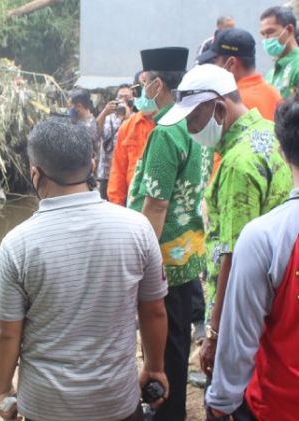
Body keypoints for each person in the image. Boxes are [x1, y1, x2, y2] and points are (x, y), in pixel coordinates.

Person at [0, 118, 168, 421]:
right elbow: (154, 311)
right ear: (93, 164)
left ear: (36, 173)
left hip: (46, 406)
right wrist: (154, 368)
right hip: (116, 402)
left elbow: (5, 333)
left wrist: (3, 390)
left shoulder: (17, 244)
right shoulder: (137, 227)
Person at [159, 64, 293, 382]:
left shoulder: (237, 164)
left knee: (228, 398)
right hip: (279, 293)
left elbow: (231, 255)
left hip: (242, 307)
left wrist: (215, 335)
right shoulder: (270, 133)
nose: (191, 130)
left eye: (193, 119)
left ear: (219, 108)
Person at [127, 47, 213, 421]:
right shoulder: (194, 124)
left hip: (162, 256)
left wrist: (140, 262)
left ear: (159, 84)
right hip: (187, 250)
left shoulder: (165, 131)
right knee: (175, 337)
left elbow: (156, 206)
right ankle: (170, 408)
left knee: (164, 340)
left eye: (144, 83)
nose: (140, 91)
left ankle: (166, 411)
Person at [204, 95, 299, 421]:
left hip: (279, 404)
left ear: (283, 153)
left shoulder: (265, 236)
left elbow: (240, 335)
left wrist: (220, 402)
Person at [198, 28, 282, 120]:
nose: (213, 67)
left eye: (215, 61)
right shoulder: (274, 93)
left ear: (231, 63)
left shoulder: (232, 103)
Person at [108, 72, 157, 206]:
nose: (143, 94)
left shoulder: (174, 124)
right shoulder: (128, 126)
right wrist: (116, 206)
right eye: (138, 90)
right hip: (133, 205)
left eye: (146, 86)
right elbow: (118, 171)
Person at [95, 84, 134, 199]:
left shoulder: (136, 118)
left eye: (126, 98)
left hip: (125, 173)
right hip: (106, 173)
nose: (123, 101)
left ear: (132, 100)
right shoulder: (108, 118)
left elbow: (131, 138)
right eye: (120, 97)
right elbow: (96, 134)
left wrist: (127, 115)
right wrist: (104, 112)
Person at [260, 6, 299, 98]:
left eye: (270, 32)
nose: (266, 39)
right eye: (263, 34)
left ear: (289, 30)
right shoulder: (270, 74)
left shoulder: (297, 66)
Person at [68, 89, 98, 158]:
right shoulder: (78, 120)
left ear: (79, 106)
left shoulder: (89, 126)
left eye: (71, 107)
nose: (70, 110)